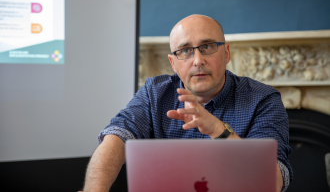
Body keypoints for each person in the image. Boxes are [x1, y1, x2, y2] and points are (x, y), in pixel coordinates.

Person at [82, 14, 293, 192]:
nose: (198, 60)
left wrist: (218, 130)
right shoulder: (154, 93)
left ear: (226, 53)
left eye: (208, 46)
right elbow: (116, 137)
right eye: (185, 50)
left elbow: (273, 182)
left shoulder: (263, 100)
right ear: (173, 63)